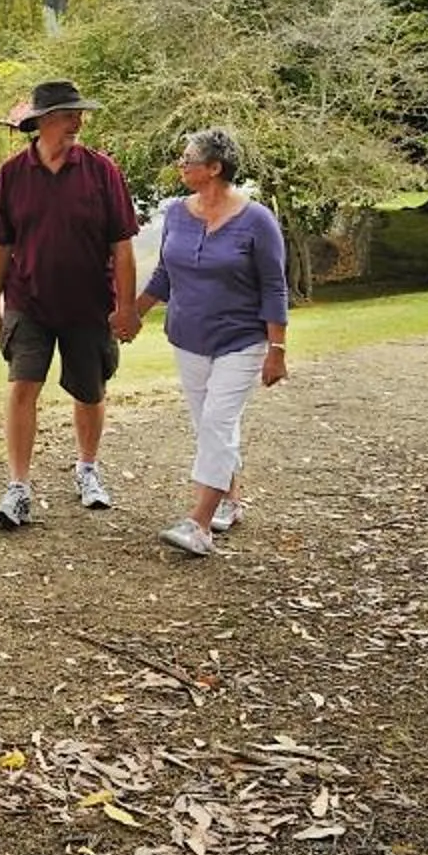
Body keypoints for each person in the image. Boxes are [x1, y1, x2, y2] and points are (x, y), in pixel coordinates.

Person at [0, 78, 141, 529]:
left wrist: (126, 307)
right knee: (22, 387)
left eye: (79, 115)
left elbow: (122, 246)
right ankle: (18, 487)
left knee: (90, 391)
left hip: (89, 304)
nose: (78, 123)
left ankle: (87, 469)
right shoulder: (12, 174)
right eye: (70, 115)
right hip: (27, 301)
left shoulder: (101, 171)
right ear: (44, 121)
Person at [126, 125, 290, 557]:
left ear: (214, 168)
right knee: (208, 426)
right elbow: (164, 274)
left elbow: (274, 286)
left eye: (188, 160)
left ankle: (199, 524)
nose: (180, 165)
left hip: (241, 339)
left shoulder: (257, 221)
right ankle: (230, 501)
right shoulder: (177, 213)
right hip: (188, 337)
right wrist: (132, 314)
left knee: (217, 423)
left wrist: (277, 349)